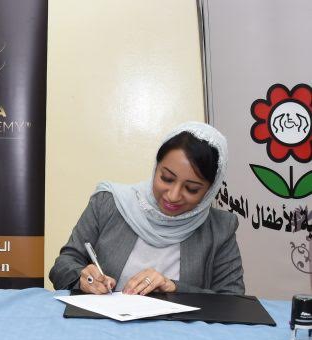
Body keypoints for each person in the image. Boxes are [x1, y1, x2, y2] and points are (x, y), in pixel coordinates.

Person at [49, 122, 245, 295]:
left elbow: (232, 299)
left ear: (210, 191)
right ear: (156, 167)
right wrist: (82, 277)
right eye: (166, 179)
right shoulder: (108, 203)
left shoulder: (221, 228)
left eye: (191, 189)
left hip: (179, 327)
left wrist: (174, 288)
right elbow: (62, 266)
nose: (173, 195)